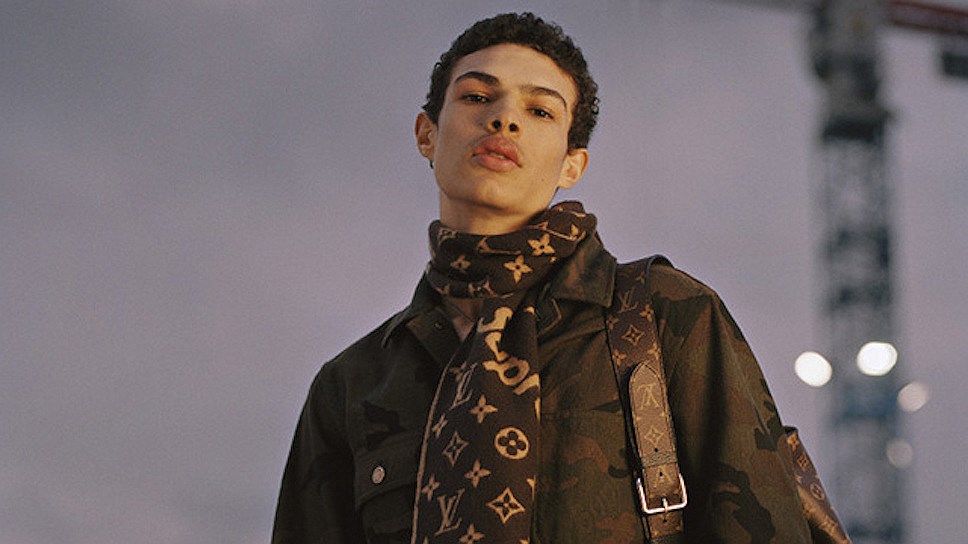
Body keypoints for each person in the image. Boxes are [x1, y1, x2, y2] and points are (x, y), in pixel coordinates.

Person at [272, 12, 813, 544]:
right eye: (477, 97)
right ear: (426, 134)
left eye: (539, 111)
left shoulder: (665, 316)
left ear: (572, 165)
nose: (504, 119)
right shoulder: (351, 384)